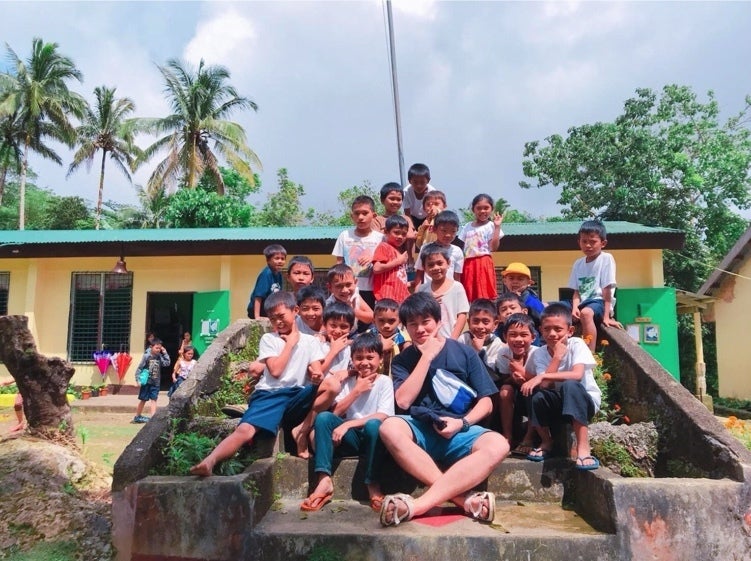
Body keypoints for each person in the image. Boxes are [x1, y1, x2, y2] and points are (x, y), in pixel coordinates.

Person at [378, 292, 509, 527]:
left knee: (499, 444)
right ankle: (462, 499)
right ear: (406, 328)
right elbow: (404, 402)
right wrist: (426, 357)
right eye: (413, 324)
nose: (420, 329)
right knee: (389, 427)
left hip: (459, 429)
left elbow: (487, 402)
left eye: (426, 321)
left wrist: (462, 423)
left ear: (439, 322)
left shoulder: (464, 352)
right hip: (420, 429)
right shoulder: (402, 360)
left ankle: (418, 506)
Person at [190, 292, 325, 476]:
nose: (278, 322)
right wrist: (290, 344)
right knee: (245, 430)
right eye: (273, 319)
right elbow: (275, 371)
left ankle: (302, 430)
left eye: (281, 316)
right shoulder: (269, 339)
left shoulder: (310, 341)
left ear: (295, 311)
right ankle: (209, 461)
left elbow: (317, 369)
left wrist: (316, 375)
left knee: (330, 385)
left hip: (296, 395)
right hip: (270, 395)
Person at [301, 333, 395, 512]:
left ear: (380, 359)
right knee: (323, 417)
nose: (364, 362)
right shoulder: (348, 381)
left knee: (374, 425)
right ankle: (324, 479)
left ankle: (372, 484)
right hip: (348, 439)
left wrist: (348, 424)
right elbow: (336, 412)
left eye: (370, 357)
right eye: (359, 358)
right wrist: (356, 391)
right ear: (352, 359)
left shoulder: (384, 382)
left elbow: (383, 415)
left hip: (373, 439)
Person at [520, 303, 601, 470]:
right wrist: (556, 357)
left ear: (570, 331)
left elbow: (577, 374)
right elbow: (545, 385)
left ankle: (583, 447)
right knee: (535, 392)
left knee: (570, 385)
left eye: (558, 329)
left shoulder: (577, 344)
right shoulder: (539, 353)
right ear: (541, 331)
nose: (552, 334)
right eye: (547, 329)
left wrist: (542, 375)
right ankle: (546, 441)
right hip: (558, 406)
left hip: (583, 403)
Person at [292, 301, 355, 458]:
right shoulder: (316, 342)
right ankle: (303, 429)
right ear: (324, 325)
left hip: (335, 402)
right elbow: (315, 373)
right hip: (314, 393)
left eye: (344, 327)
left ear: (351, 328)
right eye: (333, 325)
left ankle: (306, 432)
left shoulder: (349, 348)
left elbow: (360, 367)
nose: (338, 331)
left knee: (319, 444)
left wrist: (348, 372)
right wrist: (333, 351)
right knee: (333, 384)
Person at [568, 220, 621, 352]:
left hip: (599, 302)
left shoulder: (606, 258)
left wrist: (607, 316)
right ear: (579, 242)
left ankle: (589, 355)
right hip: (582, 302)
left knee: (586, 314)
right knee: (551, 309)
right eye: (584, 241)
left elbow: (607, 289)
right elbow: (576, 292)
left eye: (593, 242)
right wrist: (574, 308)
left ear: (603, 243)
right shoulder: (578, 263)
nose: (588, 245)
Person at [495, 313, 538, 454]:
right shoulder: (503, 353)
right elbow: (503, 378)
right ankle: (508, 436)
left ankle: (529, 436)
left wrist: (523, 375)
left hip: (534, 393)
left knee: (533, 391)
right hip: (515, 395)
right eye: (513, 335)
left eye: (524, 335)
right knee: (505, 390)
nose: (518, 339)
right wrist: (513, 379)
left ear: (533, 337)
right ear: (505, 336)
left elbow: (543, 381)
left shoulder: (537, 354)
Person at [332, 195, 383, 311]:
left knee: (370, 318)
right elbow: (338, 264)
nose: (360, 217)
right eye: (357, 213)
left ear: (374, 215)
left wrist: (373, 258)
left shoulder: (381, 238)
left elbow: (385, 262)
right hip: (349, 290)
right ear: (352, 216)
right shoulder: (344, 236)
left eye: (365, 213)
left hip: (373, 289)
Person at [417, 243, 469, 340]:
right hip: (428, 340)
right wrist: (428, 302)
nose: (436, 268)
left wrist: (453, 339)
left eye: (440, 263)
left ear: (448, 263)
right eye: (431, 265)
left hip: (450, 339)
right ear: (424, 267)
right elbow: (417, 314)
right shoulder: (422, 290)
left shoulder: (457, 287)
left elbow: (462, 315)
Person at [458, 194, 504, 302]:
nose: (482, 211)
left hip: (484, 262)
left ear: (492, 209)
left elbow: (494, 248)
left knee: (484, 292)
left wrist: (497, 227)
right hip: (468, 263)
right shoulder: (467, 227)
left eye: (486, 208)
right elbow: (463, 247)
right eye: (479, 208)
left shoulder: (491, 226)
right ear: (473, 209)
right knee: (468, 292)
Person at [457, 299, 504, 384]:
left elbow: (494, 373)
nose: (480, 326)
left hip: (489, 383)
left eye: (485, 322)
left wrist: (480, 351)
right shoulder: (464, 339)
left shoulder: (496, 343)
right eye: (475, 321)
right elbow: (458, 364)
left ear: (495, 324)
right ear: (469, 322)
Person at [414, 210, 464, 287]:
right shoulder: (425, 248)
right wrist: (417, 292)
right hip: (428, 291)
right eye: (444, 231)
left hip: (448, 291)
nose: (448, 235)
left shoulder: (457, 251)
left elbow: (457, 277)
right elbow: (419, 274)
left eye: (453, 231)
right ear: (434, 229)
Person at [372, 214, 410, 304]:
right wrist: (398, 261)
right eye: (396, 232)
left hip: (399, 298)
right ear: (386, 231)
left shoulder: (398, 252)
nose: (400, 236)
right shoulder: (384, 247)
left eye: (404, 234)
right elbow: (376, 268)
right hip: (387, 298)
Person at [369, 298, 410, 378]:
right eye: (381, 320)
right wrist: (381, 348)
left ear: (399, 321)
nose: (386, 325)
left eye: (391, 321)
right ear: (374, 320)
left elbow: (408, 362)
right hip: (372, 378)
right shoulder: (369, 336)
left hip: (395, 379)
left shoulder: (404, 339)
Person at [133, 338, 171, 423]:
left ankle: (153, 418)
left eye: (159, 348)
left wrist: (165, 353)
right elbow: (139, 368)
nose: (158, 350)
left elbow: (167, 363)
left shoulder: (159, 356)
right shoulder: (146, 356)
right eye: (156, 348)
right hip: (146, 382)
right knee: (143, 399)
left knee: (154, 399)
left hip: (156, 383)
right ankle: (137, 416)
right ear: (151, 347)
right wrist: (137, 379)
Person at [325, 264, 374, 330]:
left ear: (355, 283)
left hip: (354, 333)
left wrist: (355, 311)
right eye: (339, 286)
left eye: (348, 285)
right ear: (330, 287)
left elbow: (372, 317)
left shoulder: (355, 297)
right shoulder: (329, 304)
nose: (345, 290)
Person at [247, 244, 287, 319]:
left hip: (269, 311)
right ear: (268, 260)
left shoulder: (279, 274)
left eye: (282, 259)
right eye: (277, 258)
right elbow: (258, 296)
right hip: (259, 311)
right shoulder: (266, 274)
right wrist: (257, 316)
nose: (280, 261)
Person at [501, 262, 545, 327]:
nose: (515, 281)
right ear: (505, 281)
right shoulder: (503, 300)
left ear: (529, 283)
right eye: (511, 278)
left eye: (520, 279)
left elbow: (543, 324)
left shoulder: (533, 303)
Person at [402, 163, 436, 229]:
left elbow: (433, 211)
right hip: (412, 217)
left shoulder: (432, 192)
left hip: (427, 217)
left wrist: (426, 223)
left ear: (428, 180)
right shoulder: (406, 192)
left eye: (422, 182)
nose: (419, 186)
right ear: (409, 181)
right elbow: (407, 213)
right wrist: (412, 229)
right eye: (415, 182)